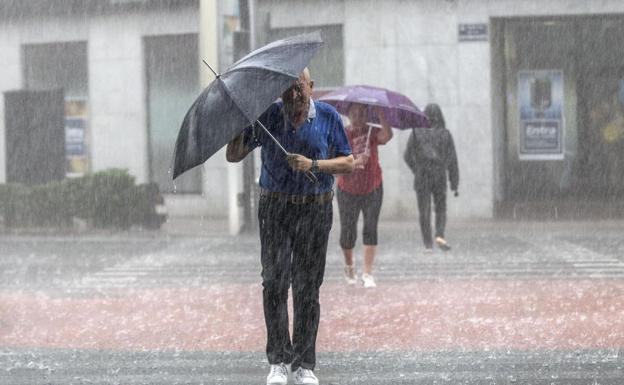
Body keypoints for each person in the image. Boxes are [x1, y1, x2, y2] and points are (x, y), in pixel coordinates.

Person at [226, 68, 354, 385]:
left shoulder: (328, 117)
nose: (294, 93)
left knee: (307, 287)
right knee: (274, 283)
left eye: (299, 86)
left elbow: (348, 162)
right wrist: (239, 123)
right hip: (275, 209)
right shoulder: (268, 117)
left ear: (311, 87)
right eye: (287, 87)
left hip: (315, 208)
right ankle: (279, 361)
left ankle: (303, 364)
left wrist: (313, 165)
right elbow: (233, 155)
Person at [336, 104, 392, 288]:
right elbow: (334, 160)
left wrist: (382, 116)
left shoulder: (372, 132)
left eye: (362, 114)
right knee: (348, 232)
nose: (358, 117)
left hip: (372, 187)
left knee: (370, 227)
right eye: (354, 114)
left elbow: (387, 136)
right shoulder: (343, 134)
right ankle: (349, 266)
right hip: (347, 190)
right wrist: (354, 162)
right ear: (349, 115)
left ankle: (368, 273)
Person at [403, 103, 459, 251]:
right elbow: (452, 160)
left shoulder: (416, 132)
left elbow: (407, 155)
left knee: (424, 210)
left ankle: (428, 244)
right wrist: (454, 183)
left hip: (422, 176)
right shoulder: (445, 134)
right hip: (439, 175)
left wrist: (417, 169)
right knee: (440, 208)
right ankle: (439, 234)